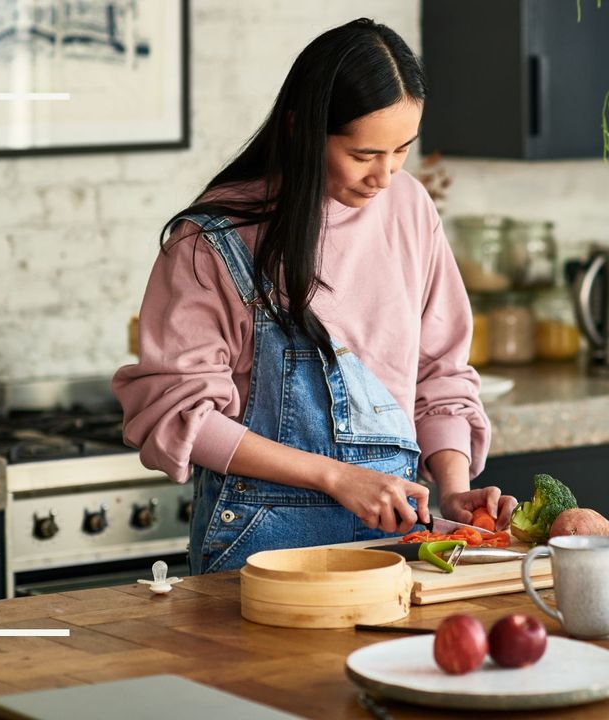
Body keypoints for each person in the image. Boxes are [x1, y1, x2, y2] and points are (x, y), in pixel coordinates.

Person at [113, 18, 513, 574]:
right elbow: (181, 414)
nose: (385, 174)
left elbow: (439, 373)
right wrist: (336, 477)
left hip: (396, 547)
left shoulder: (409, 208)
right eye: (364, 153)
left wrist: (452, 489)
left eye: (402, 150)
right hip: (263, 551)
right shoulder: (214, 239)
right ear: (302, 130)